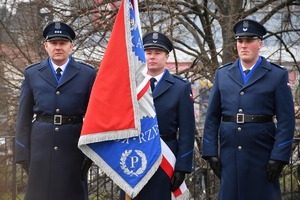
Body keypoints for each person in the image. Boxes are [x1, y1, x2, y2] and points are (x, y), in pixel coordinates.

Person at [202, 19, 295, 200]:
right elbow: (212, 117)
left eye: (249, 41)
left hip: (262, 155)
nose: (243, 45)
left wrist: (280, 156)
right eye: (240, 41)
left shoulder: (277, 74)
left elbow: (286, 120)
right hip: (229, 155)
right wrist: (210, 151)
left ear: (260, 44)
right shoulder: (223, 74)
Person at [15, 21, 96, 200]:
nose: (58, 47)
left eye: (62, 43)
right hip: (40, 147)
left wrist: (91, 153)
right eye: (53, 43)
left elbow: (94, 116)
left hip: (73, 147)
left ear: (71, 46)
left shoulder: (87, 74)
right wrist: (22, 152)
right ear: (46, 46)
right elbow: (23, 117)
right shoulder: (32, 73)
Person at [120, 31, 195, 200]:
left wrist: (182, 167)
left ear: (166, 56)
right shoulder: (130, 85)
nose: (152, 57)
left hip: (165, 158)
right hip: (133, 156)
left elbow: (187, 132)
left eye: (157, 53)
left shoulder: (180, 87)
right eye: (148, 52)